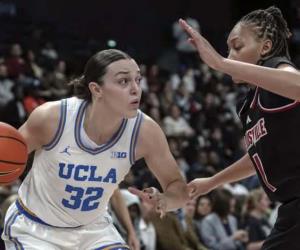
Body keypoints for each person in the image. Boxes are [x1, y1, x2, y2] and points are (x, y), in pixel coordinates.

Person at [1, 49, 188, 249]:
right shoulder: (52, 118)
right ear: (96, 89)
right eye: (124, 81)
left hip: (93, 231)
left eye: (138, 80)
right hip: (36, 229)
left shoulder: (145, 132)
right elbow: (7, 156)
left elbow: (179, 188)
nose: (136, 89)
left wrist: (166, 200)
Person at [180, 6, 300, 250]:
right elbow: (258, 155)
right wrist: (212, 182)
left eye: (237, 47)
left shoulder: (278, 69)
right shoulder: (251, 103)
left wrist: (221, 63)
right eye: (227, 50)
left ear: (265, 48)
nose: (231, 54)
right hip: (291, 208)